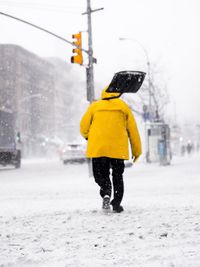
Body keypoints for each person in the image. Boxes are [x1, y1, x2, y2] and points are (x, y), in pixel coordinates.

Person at [80, 87, 142, 213]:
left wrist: (88, 137)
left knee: (100, 174)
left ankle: (106, 191)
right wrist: (137, 151)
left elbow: (83, 127)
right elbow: (133, 130)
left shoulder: (95, 106)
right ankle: (117, 203)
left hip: (99, 148)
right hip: (118, 149)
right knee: (118, 176)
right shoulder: (123, 106)